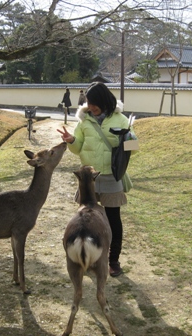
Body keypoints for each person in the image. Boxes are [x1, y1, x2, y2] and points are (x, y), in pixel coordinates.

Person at [57, 82, 133, 277]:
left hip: (110, 175)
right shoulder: (84, 121)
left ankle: (113, 260)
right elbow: (78, 147)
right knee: (87, 219)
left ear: (104, 100)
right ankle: (91, 257)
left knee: (113, 220)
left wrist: (129, 139)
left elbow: (131, 148)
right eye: (89, 102)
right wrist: (71, 141)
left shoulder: (121, 119)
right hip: (88, 178)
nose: (91, 106)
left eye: (94, 102)